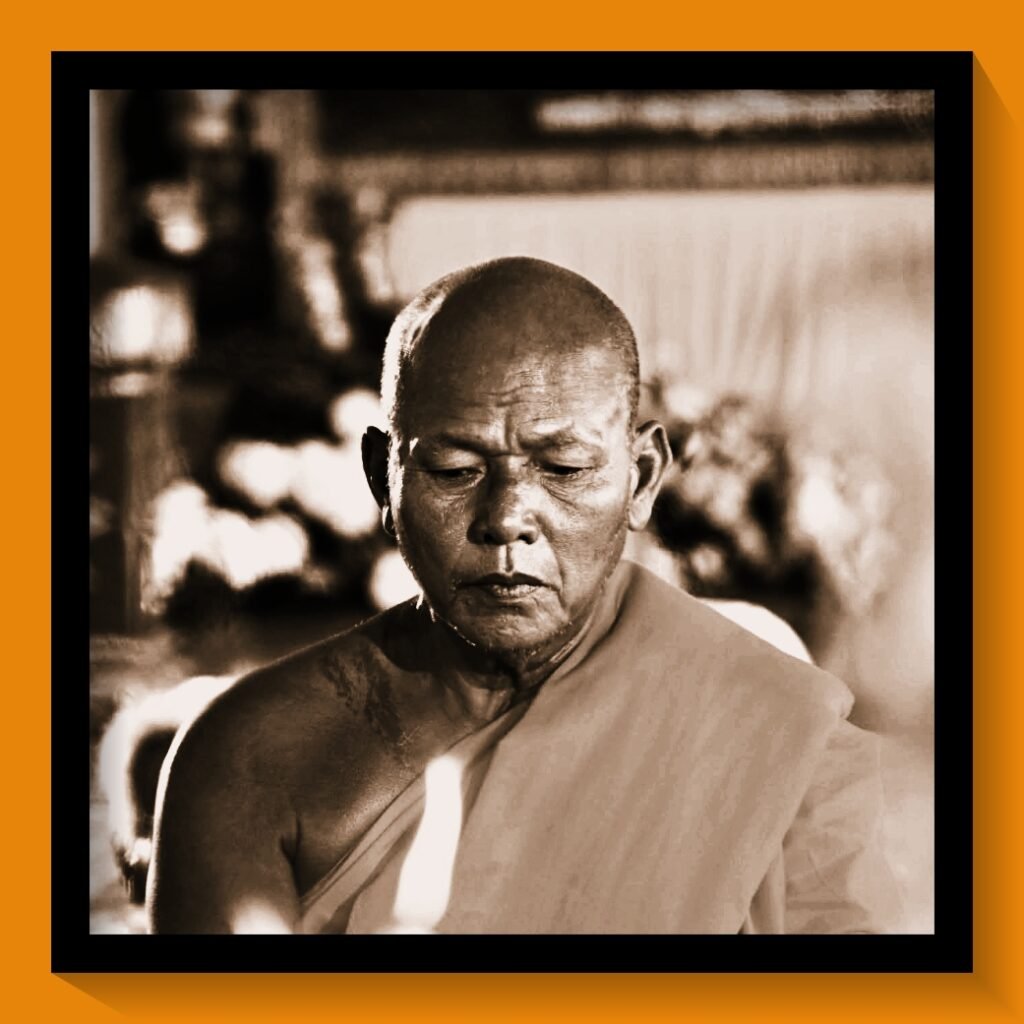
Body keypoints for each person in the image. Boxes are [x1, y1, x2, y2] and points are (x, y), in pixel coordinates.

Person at [147, 256, 903, 934]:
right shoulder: (250, 760)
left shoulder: (769, 727)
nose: (507, 517)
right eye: (454, 470)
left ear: (641, 479)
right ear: (383, 477)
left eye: (564, 469)